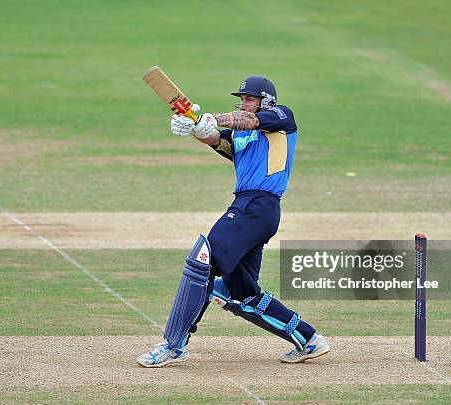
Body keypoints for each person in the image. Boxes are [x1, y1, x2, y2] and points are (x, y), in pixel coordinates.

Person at [137, 76, 330, 367]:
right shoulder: (240, 136)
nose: (244, 103)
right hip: (249, 208)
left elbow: (247, 121)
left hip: (258, 206)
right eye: (242, 99)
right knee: (239, 293)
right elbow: (216, 139)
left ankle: (173, 345)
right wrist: (193, 127)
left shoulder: (281, 118)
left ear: (266, 102)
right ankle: (309, 339)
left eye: (250, 99)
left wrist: (211, 117)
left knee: (203, 261)